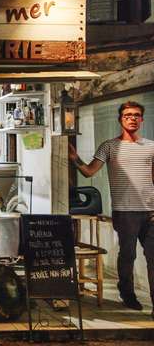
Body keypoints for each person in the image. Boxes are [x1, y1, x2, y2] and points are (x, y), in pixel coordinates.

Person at [68, 101, 154, 317]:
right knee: (128, 255)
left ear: (141, 119)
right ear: (120, 120)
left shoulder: (151, 146)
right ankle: (128, 294)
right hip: (125, 211)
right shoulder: (109, 146)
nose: (132, 118)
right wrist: (75, 159)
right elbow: (89, 171)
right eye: (127, 115)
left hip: (150, 211)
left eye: (136, 115)